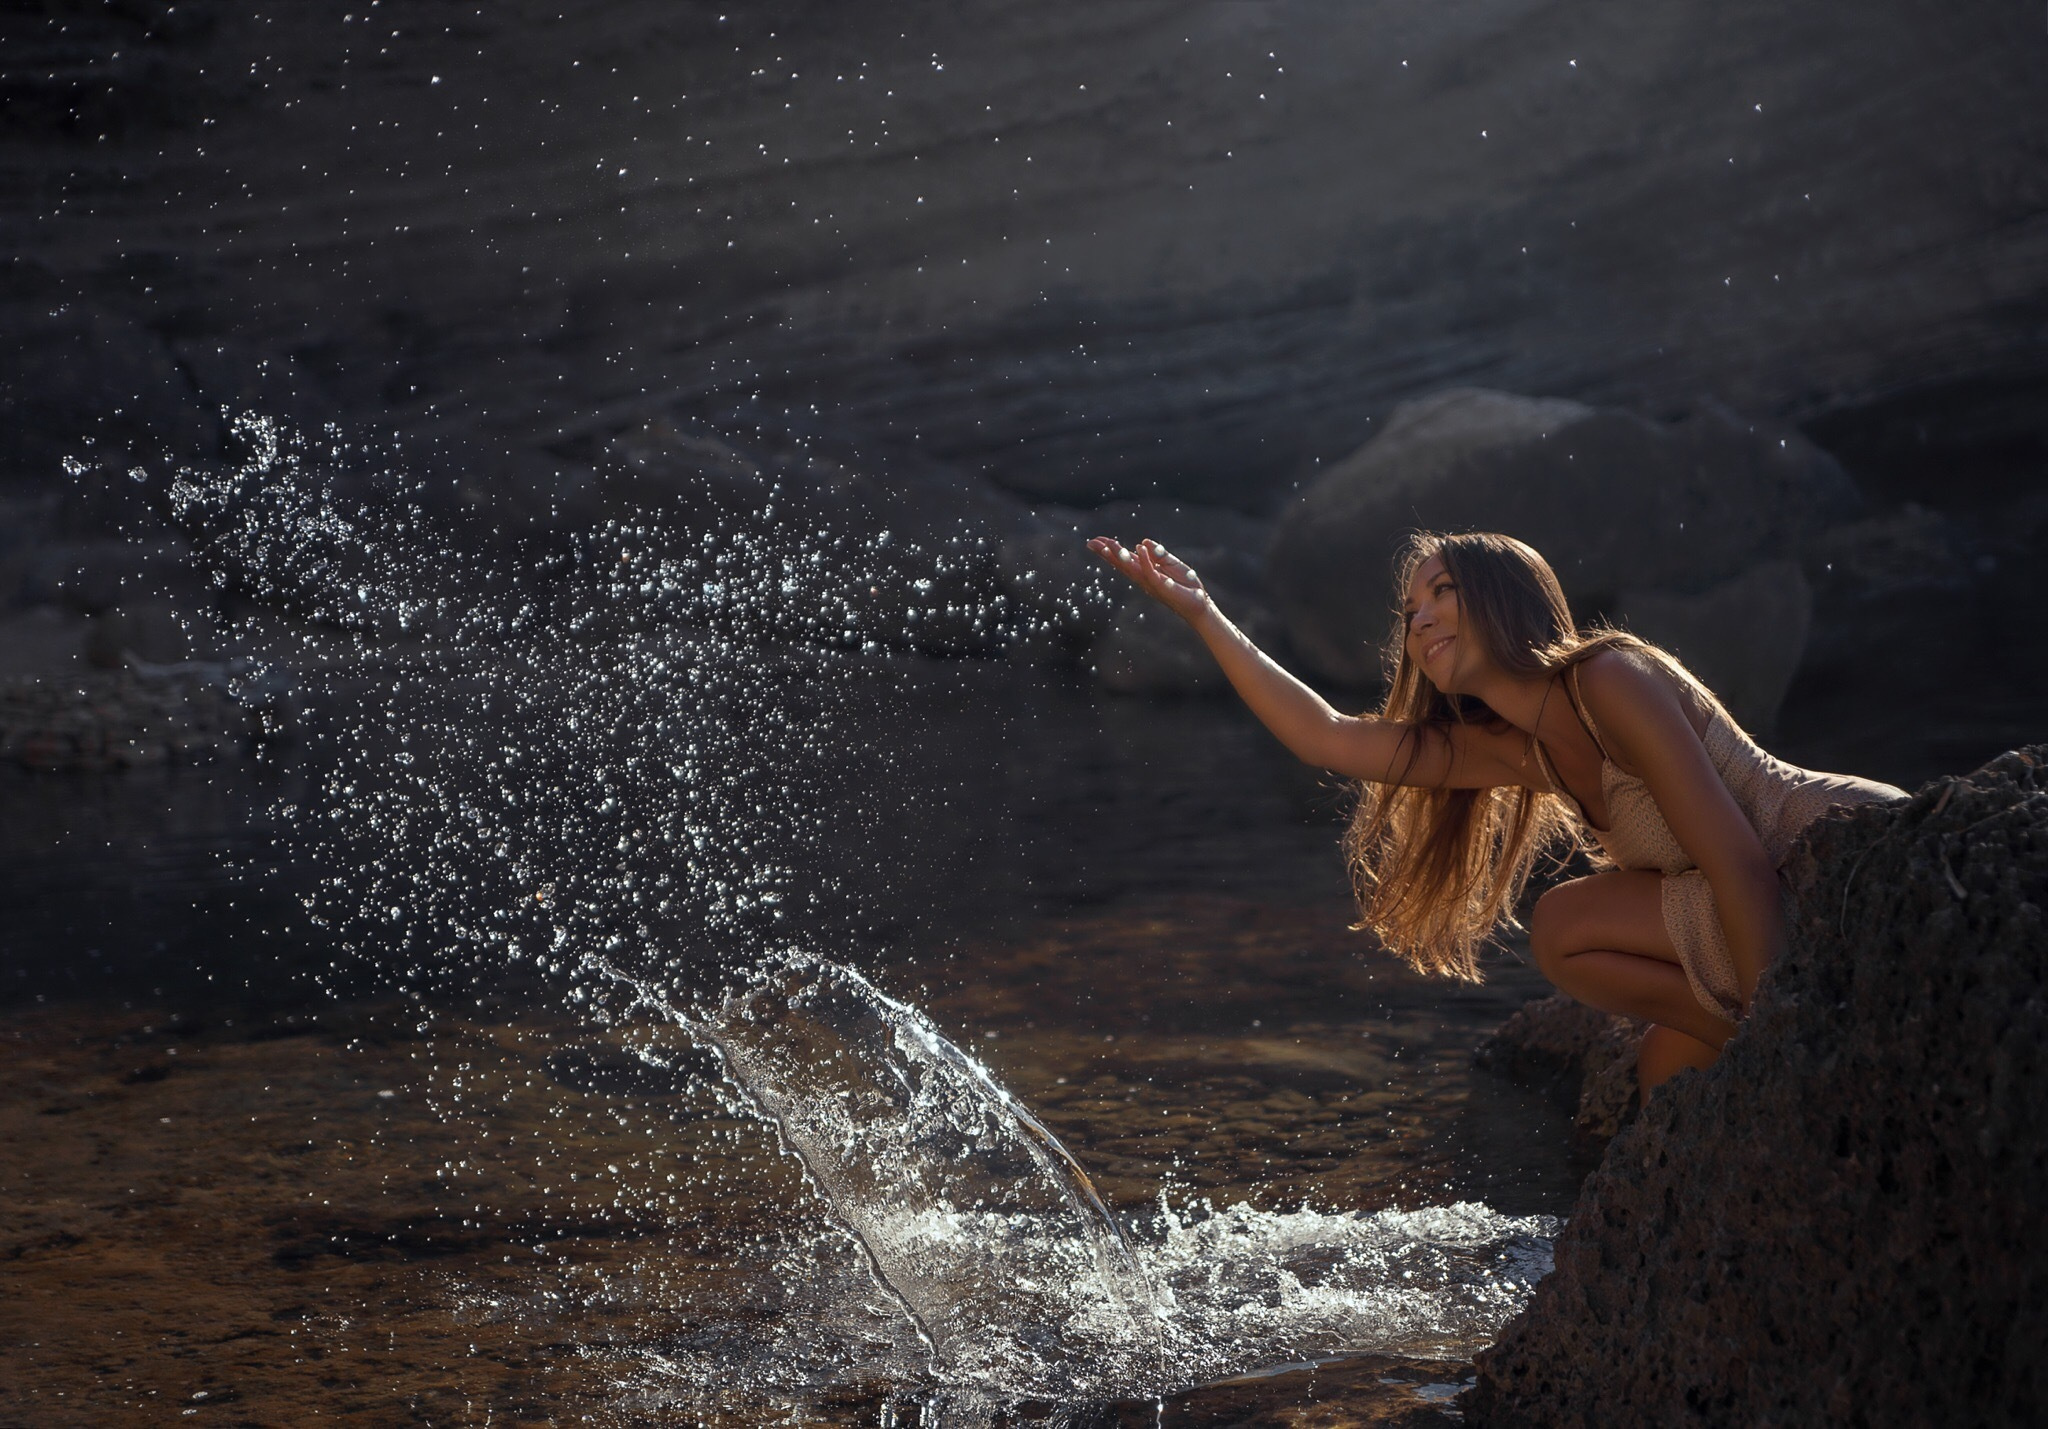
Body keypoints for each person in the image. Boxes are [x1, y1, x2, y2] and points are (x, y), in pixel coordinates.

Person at [1086, 529, 1904, 1100]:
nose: (1420, 618)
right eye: (1409, 610)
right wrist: (1202, 614)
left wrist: (1785, 1038)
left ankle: (1759, 1034)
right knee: (1648, 1052)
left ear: (1504, 600)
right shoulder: (1517, 751)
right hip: (1754, 904)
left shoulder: (1610, 679)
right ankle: (1733, 1039)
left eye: (1442, 592)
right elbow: (1326, 735)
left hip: (1843, 859)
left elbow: (1738, 860)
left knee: (1596, 956)